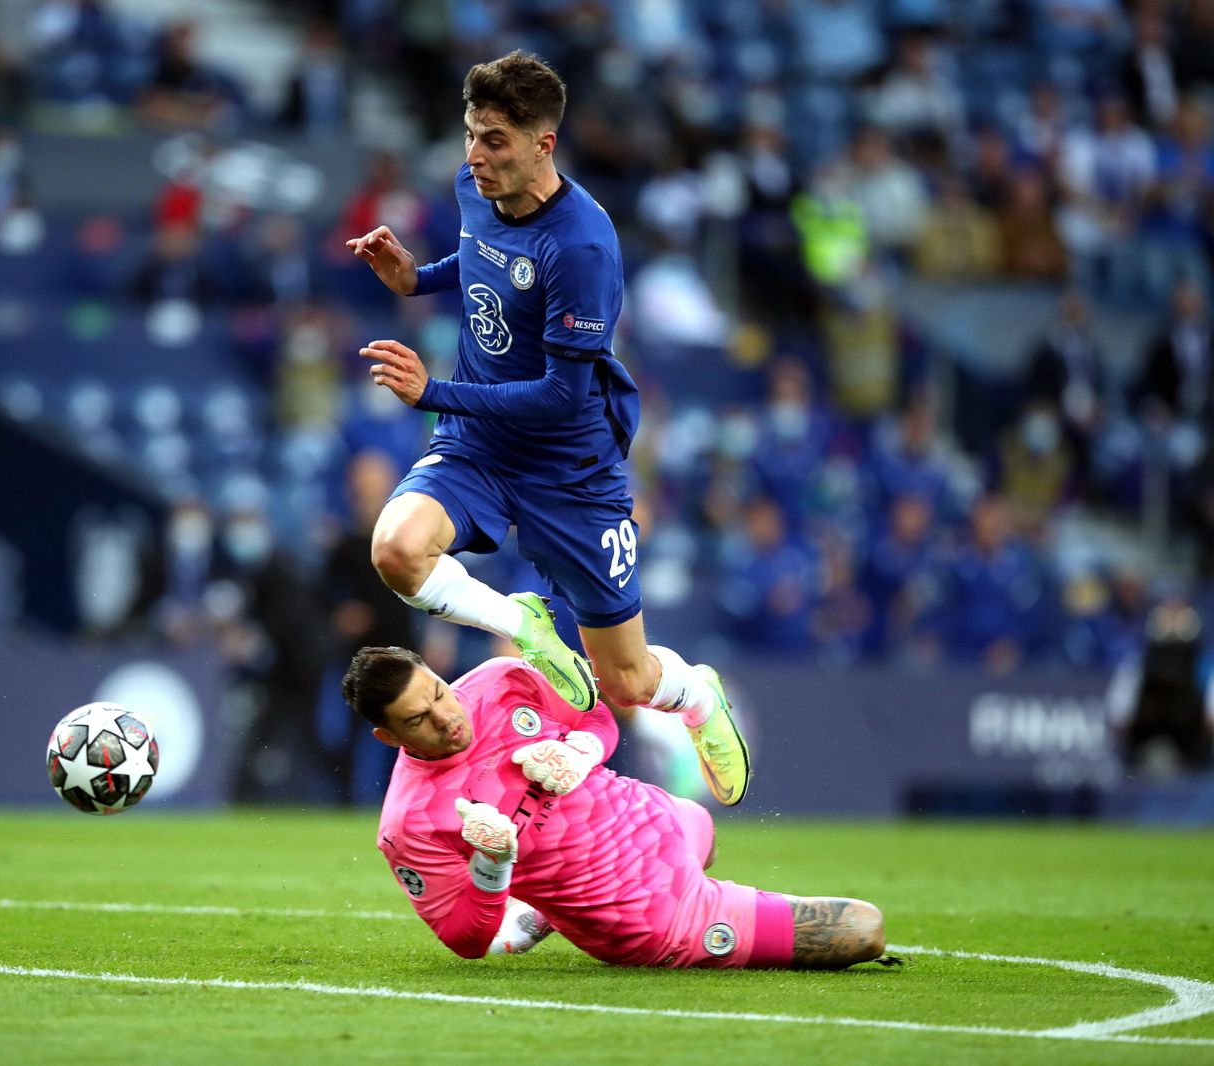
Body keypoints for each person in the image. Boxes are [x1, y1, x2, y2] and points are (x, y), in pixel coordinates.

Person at [345, 51, 750, 805]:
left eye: (495, 139)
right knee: (396, 548)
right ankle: (522, 622)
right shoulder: (475, 188)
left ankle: (695, 695)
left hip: (569, 467)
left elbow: (563, 398)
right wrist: (413, 278)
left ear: (544, 144)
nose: (474, 155)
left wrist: (436, 391)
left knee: (625, 680)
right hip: (479, 445)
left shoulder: (584, 245)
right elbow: (481, 264)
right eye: (470, 134)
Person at [343, 646, 888, 968]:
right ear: (389, 737)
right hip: (645, 912)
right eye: (419, 720)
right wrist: (492, 866)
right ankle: (556, 907)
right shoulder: (409, 822)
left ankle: (544, 912)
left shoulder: (498, 680)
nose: (446, 717)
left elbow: (595, 716)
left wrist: (580, 752)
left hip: (657, 817)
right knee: (864, 930)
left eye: (438, 692)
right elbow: (464, 937)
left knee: (705, 831)